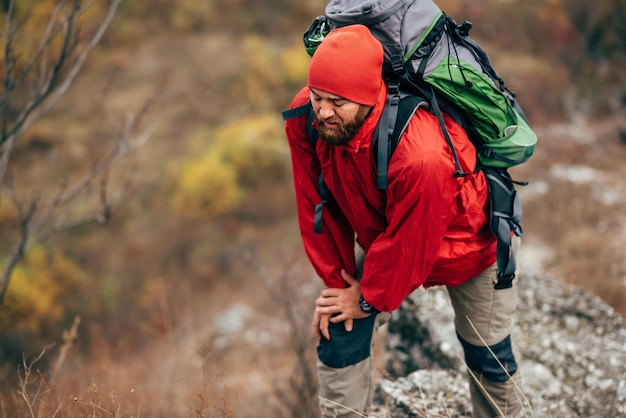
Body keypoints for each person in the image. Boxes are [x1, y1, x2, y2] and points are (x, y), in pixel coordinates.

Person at [284, 24, 523, 418]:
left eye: (338, 102)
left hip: (468, 244)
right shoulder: (307, 118)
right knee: (338, 330)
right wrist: (337, 284)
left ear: (367, 97)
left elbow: (413, 246)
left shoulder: (421, 156)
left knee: (488, 356)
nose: (324, 110)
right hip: (388, 237)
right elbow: (316, 204)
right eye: (317, 96)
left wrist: (365, 298)